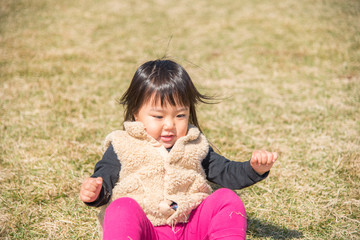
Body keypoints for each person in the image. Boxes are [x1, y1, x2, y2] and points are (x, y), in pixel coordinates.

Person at [80, 59, 278, 240]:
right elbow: (103, 178)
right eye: (158, 116)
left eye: (180, 115)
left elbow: (226, 172)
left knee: (227, 199)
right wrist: (96, 192)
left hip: (191, 227)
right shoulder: (122, 144)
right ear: (136, 114)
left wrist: (254, 169)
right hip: (147, 231)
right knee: (120, 208)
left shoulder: (194, 145)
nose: (170, 125)